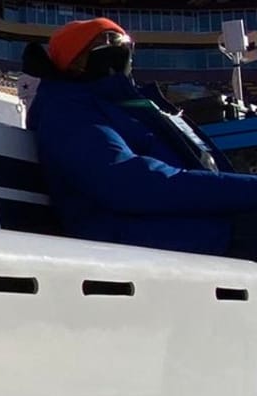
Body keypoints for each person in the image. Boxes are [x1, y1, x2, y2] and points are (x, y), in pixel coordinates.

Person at [24, 17, 257, 258]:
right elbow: (127, 183)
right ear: (78, 60)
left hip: (183, 224)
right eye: (111, 42)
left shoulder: (121, 106)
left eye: (126, 44)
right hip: (132, 232)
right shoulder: (68, 110)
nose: (124, 52)